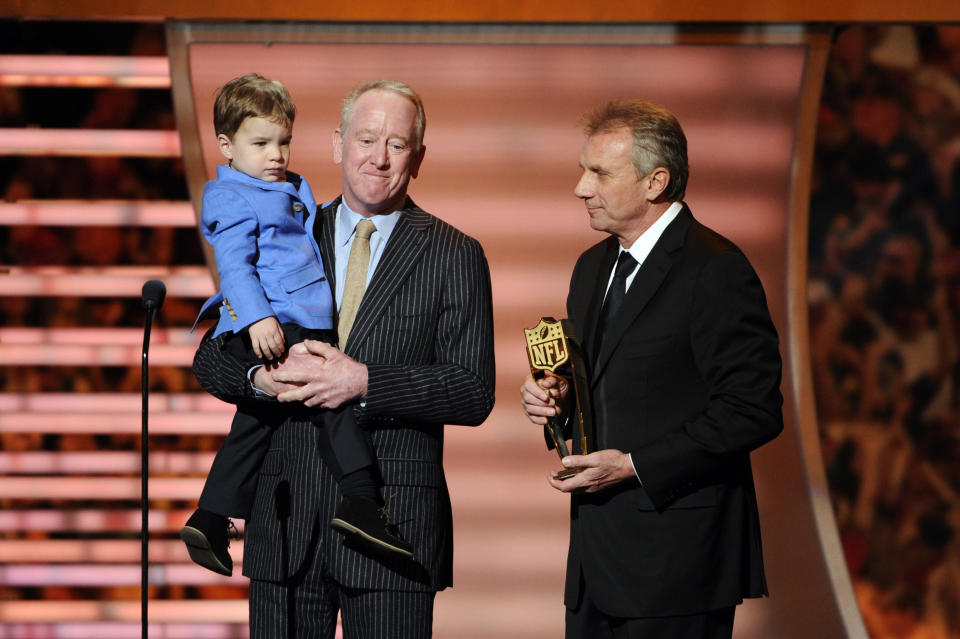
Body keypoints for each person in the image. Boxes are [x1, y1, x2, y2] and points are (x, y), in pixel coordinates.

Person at [192, 79, 495, 638]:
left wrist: (365, 381)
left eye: (397, 145)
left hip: (391, 527)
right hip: (285, 525)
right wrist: (263, 378)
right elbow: (212, 359)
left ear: (419, 158)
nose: (379, 158)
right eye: (365, 139)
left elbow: (472, 391)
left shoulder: (455, 254)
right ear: (337, 145)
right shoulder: (288, 225)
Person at [520, 99, 784, 639]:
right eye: (581, 170)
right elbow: (610, 384)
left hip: (677, 570)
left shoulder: (716, 269)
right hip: (595, 567)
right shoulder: (592, 267)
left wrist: (634, 465)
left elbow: (752, 409)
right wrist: (558, 400)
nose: (580, 188)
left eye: (599, 173)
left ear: (654, 181)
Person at [181, 74, 411, 580]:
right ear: (226, 145)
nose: (276, 154)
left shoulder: (288, 187)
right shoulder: (232, 196)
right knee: (335, 403)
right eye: (260, 143)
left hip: (294, 313)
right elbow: (236, 266)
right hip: (281, 319)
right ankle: (362, 500)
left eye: (283, 142)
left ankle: (212, 516)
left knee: (255, 421)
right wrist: (259, 317)